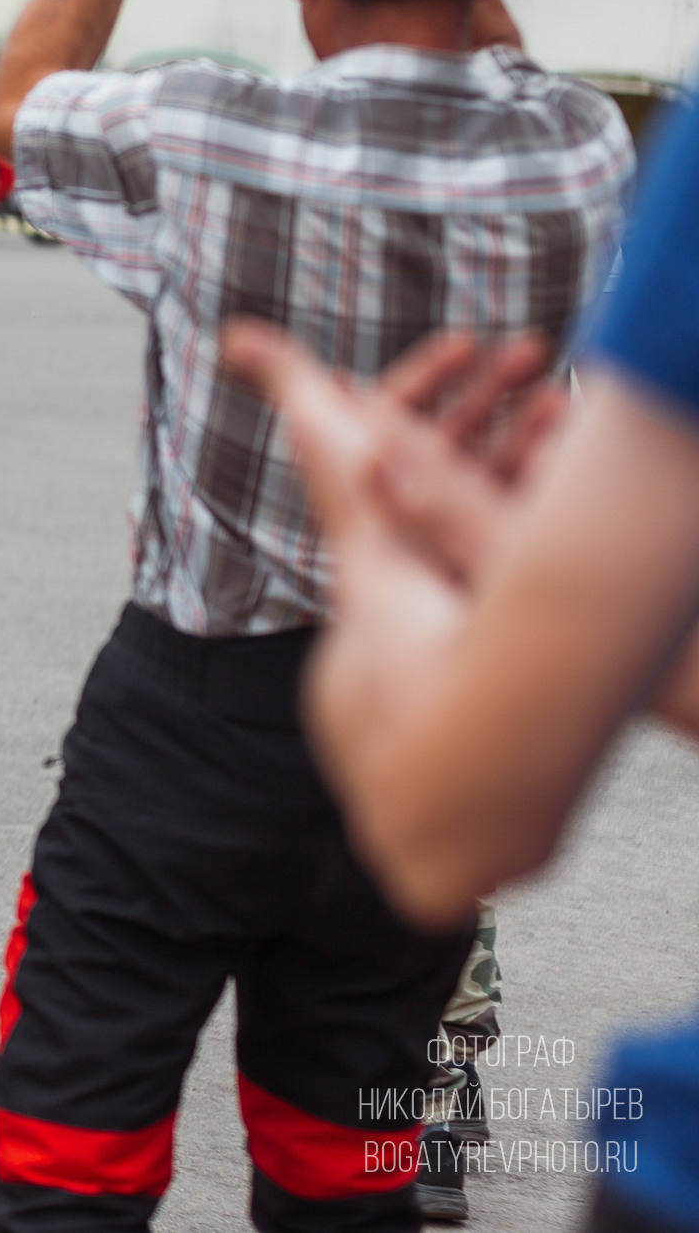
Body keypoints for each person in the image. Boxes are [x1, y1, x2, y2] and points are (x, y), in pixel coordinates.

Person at [0, 0, 634, 1231]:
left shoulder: (213, 133)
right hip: (426, 736)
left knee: (70, 1166)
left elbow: (13, 110)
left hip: (190, 721)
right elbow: (514, 65)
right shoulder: (583, 156)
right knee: (350, 1179)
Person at [222, 101, 699, 1233]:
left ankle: (437, 1086)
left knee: (415, 861)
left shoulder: (540, 183)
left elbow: (460, 820)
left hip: (435, 568)